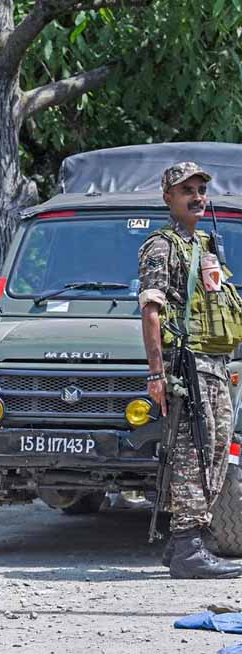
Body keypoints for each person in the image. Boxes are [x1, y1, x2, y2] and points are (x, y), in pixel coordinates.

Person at [138, 161, 242, 579]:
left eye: (201, 190)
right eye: (187, 191)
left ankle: (182, 544)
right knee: (192, 451)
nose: (197, 197)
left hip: (214, 363)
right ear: (169, 198)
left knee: (215, 450)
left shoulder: (204, 243)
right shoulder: (161, 246)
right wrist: (157, 374)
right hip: (186, 366)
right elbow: (151, 311)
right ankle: (187, 546)